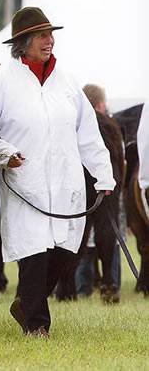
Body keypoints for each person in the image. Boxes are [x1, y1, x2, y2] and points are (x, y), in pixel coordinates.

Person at [0, 7, 115, 337]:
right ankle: (37, 324)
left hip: (67, 182)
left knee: (66, 252)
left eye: (50, 35)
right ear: (23, 43)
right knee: (34, 252)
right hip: (27, 182)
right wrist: (5, 154)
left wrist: (104, 175)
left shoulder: (66, 80)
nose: (49, 41)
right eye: (42, 35)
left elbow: (88, 132)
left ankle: (25, 302)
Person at [75, 84, 122, 298]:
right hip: (107, 184)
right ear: (101, 104)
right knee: (107, 232)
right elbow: (119, 161)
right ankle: (109, 283)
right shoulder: (111, 126)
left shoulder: (76, 125)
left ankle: (71, 287)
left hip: (81, 184)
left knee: (78, 234)